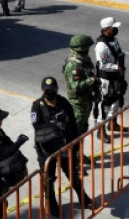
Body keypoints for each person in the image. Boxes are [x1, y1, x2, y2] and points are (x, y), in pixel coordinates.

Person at [31, 77, 92, 216]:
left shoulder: (63, 102)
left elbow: (73, 125)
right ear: (42, 91)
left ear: (57, 89)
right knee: (48, 179)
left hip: (65, 147)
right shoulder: (37, 106)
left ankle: (83, 198)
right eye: (47, 90)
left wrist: (75, 145)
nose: (50, 92)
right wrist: (54, 124)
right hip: (47, 151)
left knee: (72, 173)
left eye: (52, 89)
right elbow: (37, 127)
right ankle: (52, 205)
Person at [94, 17, 127, 138]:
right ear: (107, 29)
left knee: (117, 102)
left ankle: (113, 124)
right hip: (107, 79)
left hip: (117, 78)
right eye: (114, 28)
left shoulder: (114, 40)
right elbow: (102, 65)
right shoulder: (101, 45)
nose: (116, 29)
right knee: (105, 105)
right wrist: (117, 68)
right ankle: (101, 131)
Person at [62, 35, 98, 134]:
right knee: (76, 130)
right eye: (87, 46)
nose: (89, 49)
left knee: (83, 128)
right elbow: (75, 87)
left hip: (86, 101)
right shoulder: (73, 65)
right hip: (78, 105)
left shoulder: (84, 59)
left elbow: (90, 73)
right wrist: (91, 81)